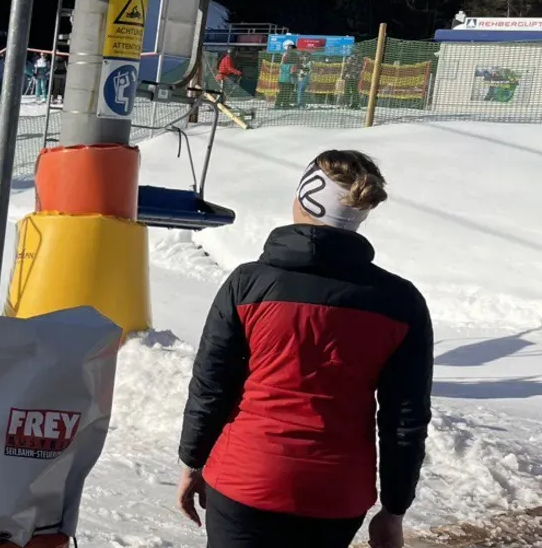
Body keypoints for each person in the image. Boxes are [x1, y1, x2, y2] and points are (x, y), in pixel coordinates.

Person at [176, 149, 432, 548]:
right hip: (337, 492)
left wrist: (192, 463)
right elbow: (405, 418)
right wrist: (394, 509)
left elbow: (212, 384)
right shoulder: (401, 302)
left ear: (303, 197)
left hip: (246, 478)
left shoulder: (248, 284)